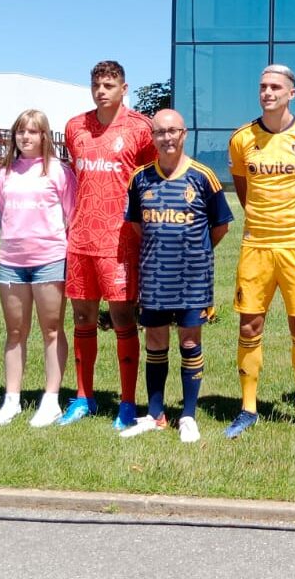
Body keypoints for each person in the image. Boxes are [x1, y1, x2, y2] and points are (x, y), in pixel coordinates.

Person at [225, 64, 295, 438]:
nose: (267, 92)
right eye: (262, 86)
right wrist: (262, 220)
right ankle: (248, 407)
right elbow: (243, 190)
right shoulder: (242, 139)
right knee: (249, 324)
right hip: (256, 245)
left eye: (275, 87)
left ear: (292, 92)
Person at [119, 109, 232, 443]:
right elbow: (139, 225)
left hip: (192, 277)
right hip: (154, 275)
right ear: (152, 137)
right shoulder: (140, 178)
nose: (166, 138)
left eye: (172, 131)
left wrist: (192, 251)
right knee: (154, 342)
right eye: (159, 132)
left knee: (190, 341)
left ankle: (188, 415)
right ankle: (155, 415)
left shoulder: (203, 176)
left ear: (184, 134)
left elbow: (220, 225)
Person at [59, 60, 156, 429]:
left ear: (124, 88)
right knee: (82, 318)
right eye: (97, 84)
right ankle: (84, 397)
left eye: (109, 85)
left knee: (121, 320)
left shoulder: (140, 129)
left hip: (119, 242)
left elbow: (149, 179)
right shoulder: (75, 128)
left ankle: (128, 403)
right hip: (81, 239)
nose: (102, 91)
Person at [0, 109, 77, 428]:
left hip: (50, 260)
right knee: (15, 332)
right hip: (12, 263)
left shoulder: (58, 172)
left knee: (51, 329)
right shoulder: (3, 175)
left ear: (44, 136)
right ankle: (11, 400)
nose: (25, 137)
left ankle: (51, 399)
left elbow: (71, 214)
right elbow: (1, 214)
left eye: (33, 131)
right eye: (20, 132)